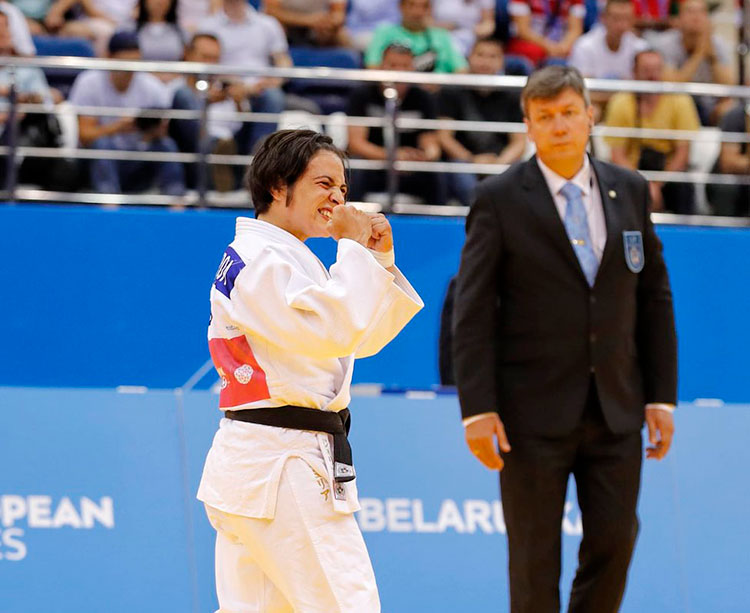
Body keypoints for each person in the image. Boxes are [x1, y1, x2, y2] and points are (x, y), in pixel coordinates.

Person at [453, 65, 678, 613]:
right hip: (529, 415)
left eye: (569, 113)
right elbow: (473, 310)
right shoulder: (499, 199)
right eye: (546, 116)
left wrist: (660, 396)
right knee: (533, 557)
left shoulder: (630, 190)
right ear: (528, 125)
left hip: (617, 409)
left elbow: (653, 298)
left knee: (616, 542)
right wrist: (477, 409)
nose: (559, 126)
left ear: (589, 116)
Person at [197, 129, 423, 612]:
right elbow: (332, 329)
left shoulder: (282, 259)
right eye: (324, 184)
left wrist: (375, 258)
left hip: (268, 465)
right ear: (279, 186)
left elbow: (359, 337)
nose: (338, 197)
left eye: (343, 188)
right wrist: (354, 247)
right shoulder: (258, 260)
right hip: (283, 466)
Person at [68, 30, 186, 195]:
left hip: (137, 161)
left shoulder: (152, 87)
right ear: (109, 58)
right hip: (97, 165)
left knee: (166, 145)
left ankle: (176, 202)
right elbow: (84, 136)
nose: (130, 70)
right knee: (102, 145)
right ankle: (109, 204)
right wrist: (119, 127)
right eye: (125, 63)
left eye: (135, 63)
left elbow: (162, 133)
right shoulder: (88, 82)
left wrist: (152, 130)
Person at [347, 42, 447, 205]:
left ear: (413, 70)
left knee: (436, 171)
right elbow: (356, 144)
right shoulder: (362, 94)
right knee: (356, 168)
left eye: (405, 66)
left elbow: (430, 143)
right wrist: (393, 156)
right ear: (381, 67)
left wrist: (423, 156)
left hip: (410, 165)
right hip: (373, 162)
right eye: (393, 65)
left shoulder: (423, 98)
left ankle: (438, 224)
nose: (398, 72)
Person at [605, 48, 700, 214]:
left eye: (657, 70)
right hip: (631, 172)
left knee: (684, 186)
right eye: (646, 70)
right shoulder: (620, 102)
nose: (652, 76)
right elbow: (617, 156)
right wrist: (644, 184)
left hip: (668, 173)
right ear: (634, 72)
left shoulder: (680, 100)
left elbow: (682, 155)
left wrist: (657, 184)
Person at [438, 38, 526, 206]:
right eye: (480, 55)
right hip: (463, 161)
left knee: (518, 176)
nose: (485, 61)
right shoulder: (452, 90)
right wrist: (471, 159)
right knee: (462, 180)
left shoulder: (512, 93)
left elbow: (519, 143)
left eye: (493, 56)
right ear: (469, 57)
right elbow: (444, 137)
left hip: (500, 161)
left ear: (501, 62)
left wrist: (498, 164)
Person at [202, 0, 292, 153]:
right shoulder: (208, 26)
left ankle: (258, 161)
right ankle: (223, 157)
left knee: (273, 97)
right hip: (223, 90)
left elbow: (284, 63)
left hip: (260, 90)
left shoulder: (268, 24)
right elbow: (201, 63)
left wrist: (270, 82)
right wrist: (226, 86)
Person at [169, 32, 242, 191]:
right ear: (188, 55)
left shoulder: (225, 89)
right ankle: (214, 157)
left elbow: (239, 130)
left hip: (229, 152)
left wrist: (239, 103)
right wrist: (206, 102)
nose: (210, 63)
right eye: (205, 57)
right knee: (183, 96)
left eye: (215, 58)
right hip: (191, 155)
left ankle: (230, 176)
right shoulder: (173, 88)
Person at [645, 0, 734, 125]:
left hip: (709, 105)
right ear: (678, 18)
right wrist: (699, 53)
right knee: (675, 103)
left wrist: (712, 58)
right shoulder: (665, 44)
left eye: (701, 12)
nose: (696, 17)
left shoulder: (718, 44)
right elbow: (671, 84)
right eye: (690, 11)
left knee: (729, 108)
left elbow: (729, 86)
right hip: (675, 105)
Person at [364, 0, 467, 73]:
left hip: (436, 96)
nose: (417, 12)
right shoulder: (384, 32)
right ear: (401, 6)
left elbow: (462, 69)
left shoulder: (441, 36)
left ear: (431, 9)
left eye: (424, 6)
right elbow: (372, 66)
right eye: (411, 5)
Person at [506, 0, 585, 65]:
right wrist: (548, 46)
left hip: (561, 44)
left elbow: (576, 29)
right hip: (532, 42)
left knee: (580, 51)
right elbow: (523, 30)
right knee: (534, 52)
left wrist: (564, 46)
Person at [706, 102, 750, 217]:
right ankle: (724, 233)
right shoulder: (735, 116)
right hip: (735, 179)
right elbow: (728, 164)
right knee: (726, 187)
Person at [263, 0, 348, 47]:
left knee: (341, 36)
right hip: (286, 25)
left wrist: (331, 22)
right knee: (276, 27)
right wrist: (308, 21)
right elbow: (271, 11)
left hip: (317, 27)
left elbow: (338, 13)